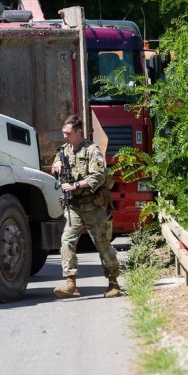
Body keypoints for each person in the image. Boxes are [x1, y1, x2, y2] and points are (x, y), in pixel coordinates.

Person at [51, 114, 121, 298]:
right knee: (67, 240)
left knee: (102, 244)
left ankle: (114, 282)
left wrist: (75, 185)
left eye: (68, 133)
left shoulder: (92, 150)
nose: (65, 136)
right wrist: (56, 165)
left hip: (94, 205)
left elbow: (97, 177)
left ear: (78, 132)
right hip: (73, 205)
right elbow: (56, 166)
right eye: (63, 133)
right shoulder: (63, 151)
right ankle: (70, 284)